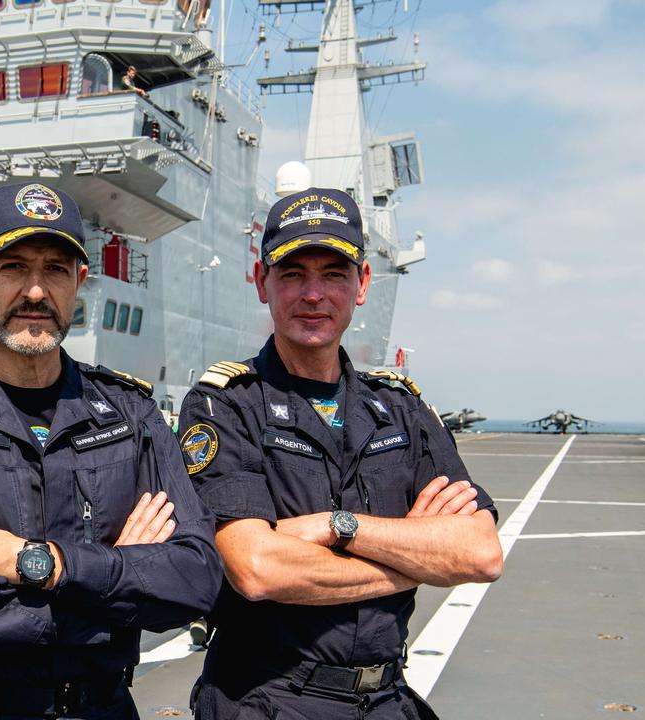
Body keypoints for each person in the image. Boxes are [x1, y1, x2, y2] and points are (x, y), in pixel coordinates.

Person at [0, 182, 222, 719]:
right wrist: (119, 582)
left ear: (79, 281)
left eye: (54, 268)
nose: (35, 291)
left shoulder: (130, 414)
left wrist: (43, 565)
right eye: (12, 267)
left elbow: (195, 579)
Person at [177, 187, 503, 720]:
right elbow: (256, 567)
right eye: (292, 274)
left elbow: (479, 552)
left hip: (386, 698)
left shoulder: (399, 407)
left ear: (362, 284)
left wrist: (338, 526)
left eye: (333, 273)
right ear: (262, 283)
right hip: (266, 698)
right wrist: (415, 563)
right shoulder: (225, 407)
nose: (313, 294)